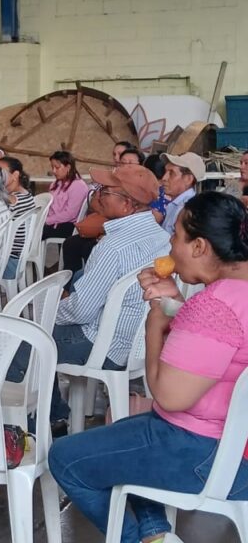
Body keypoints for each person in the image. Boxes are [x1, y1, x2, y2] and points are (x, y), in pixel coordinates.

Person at [49, 192, 248, 543]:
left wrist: (155, 324)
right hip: (232, 443)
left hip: (204, 453)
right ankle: (156, 534)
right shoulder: (234, 295)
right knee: (122, 434)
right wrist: (176, 305)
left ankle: (133, 538)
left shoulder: (214, 305)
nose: (170, 245)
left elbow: (169, 396)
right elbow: (216, 346)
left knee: (65, 458)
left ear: (199, 246)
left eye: (176, 236)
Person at [46, 165, 171, 432]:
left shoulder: (113, 247)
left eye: (105, 191)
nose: (98, 195)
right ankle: (54, 415)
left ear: (127, 204)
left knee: (25, 339)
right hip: (139, 343)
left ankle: (43, 421)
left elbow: (81, 311)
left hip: (104, 345)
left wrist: (48, 312)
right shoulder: (162, 237)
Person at [0, 156, 35, 280]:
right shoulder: (25, 193)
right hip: (17, 257)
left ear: (15, 175)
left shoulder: (12, 199)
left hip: (8, 262)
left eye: (1, 173)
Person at [43, 150, 90, 241]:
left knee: (35, 231)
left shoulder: (78, 186)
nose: (54, 171)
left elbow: (70, 214)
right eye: (52, 167)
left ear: (68, 167)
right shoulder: (55, 184)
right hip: (55, 222)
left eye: (57, 167)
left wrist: (47, 220)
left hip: (68, 225)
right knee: (31, 228)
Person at [160, 151, 205, 235]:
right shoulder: (177, 204)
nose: (164, 178)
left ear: (188, 179)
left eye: (171, 173)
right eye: (165, 172)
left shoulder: (186, 210)